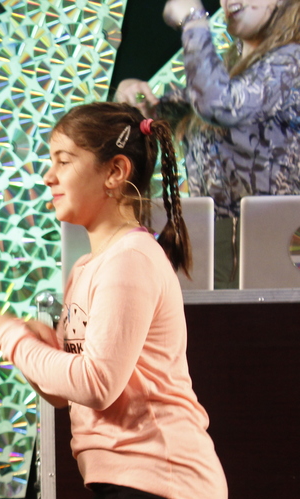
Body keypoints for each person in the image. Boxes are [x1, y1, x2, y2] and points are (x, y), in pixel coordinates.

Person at [0, 103, 228, 499]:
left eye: (64, 160)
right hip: (128, 481)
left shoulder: (131, 259)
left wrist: (10, 340)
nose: (49, 176)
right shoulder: (90, 266)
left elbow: (96, 382)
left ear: (116, 172)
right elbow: (68, 390)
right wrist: (42, 348)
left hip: (162, 477)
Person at [115, 0, 300, 287]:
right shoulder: (225, 74)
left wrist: (193, 20)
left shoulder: (291, 62)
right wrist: (133, 95)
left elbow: (219, 105)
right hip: (213, 246)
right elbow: (161, 110)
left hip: (274, 246)